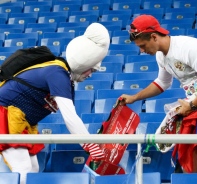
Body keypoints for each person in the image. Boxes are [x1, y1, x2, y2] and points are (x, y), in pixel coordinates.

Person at [0, 22, 110, 184]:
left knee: (33, 169)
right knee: (23, 170)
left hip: (20, 119)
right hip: (7, 115)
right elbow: (70, 118)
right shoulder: (57, 73)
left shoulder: (61, 74)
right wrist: (91, 145)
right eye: (91, 70)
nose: (90, 75)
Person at [118, 14, 197, 173]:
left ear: (154, 37)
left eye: (142, 45)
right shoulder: (161, 56)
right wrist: (135, 97)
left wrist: (191, 104)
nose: (141, 50)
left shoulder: (189, 47)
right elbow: (162, 83)